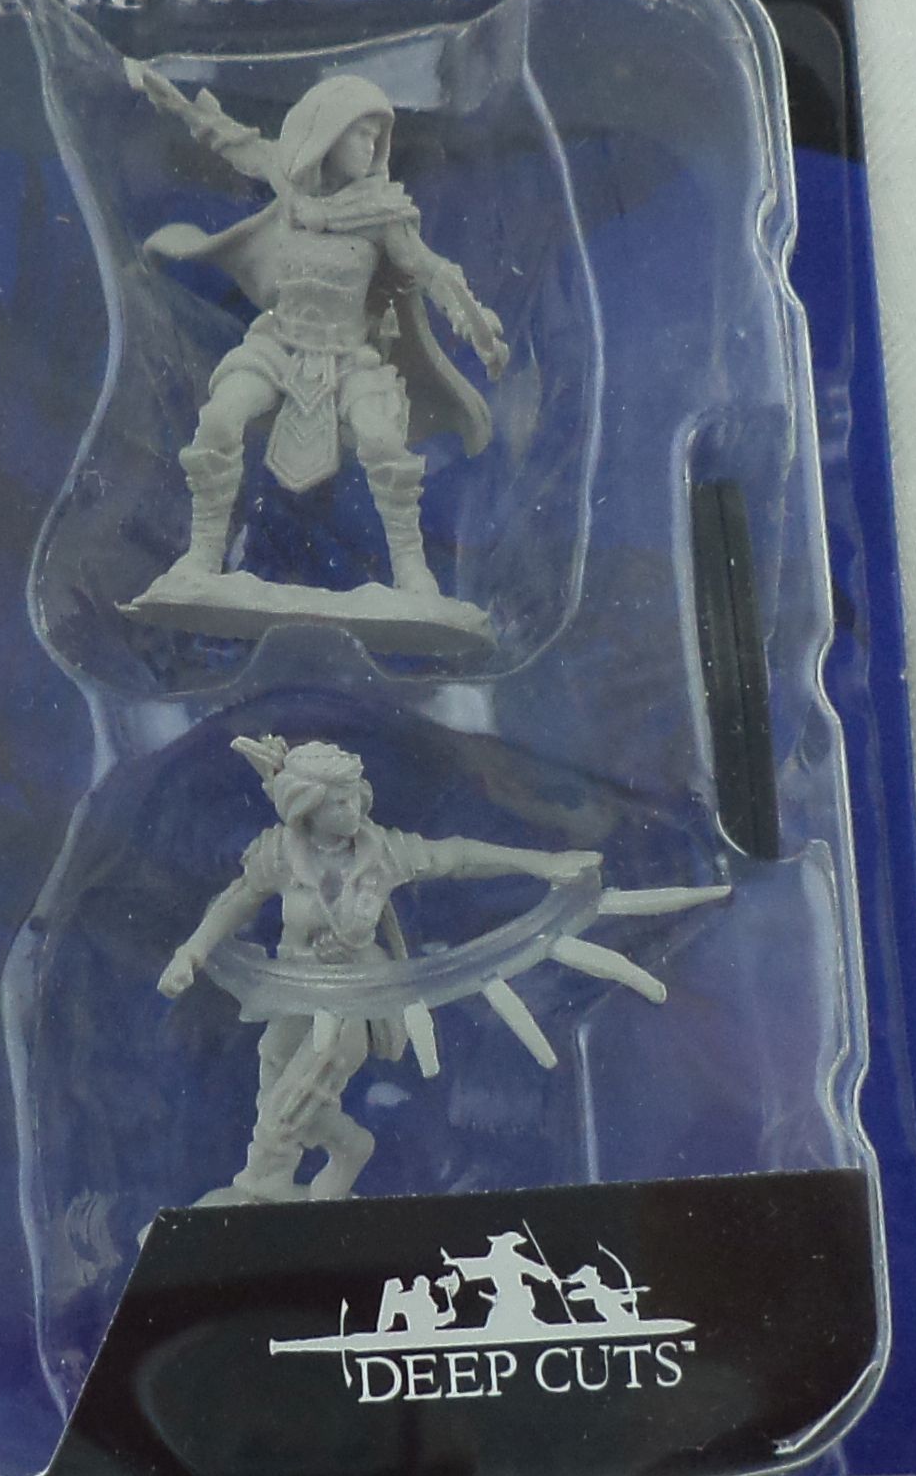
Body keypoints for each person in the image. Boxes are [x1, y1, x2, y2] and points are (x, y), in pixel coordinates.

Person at [159, 735, 598, 1204]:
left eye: (355, 796)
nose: (353, 808)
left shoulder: (382, 853)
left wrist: (545, 863)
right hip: (294, 991)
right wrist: (192, 953)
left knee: (301, 1092)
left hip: (356, 999)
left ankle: (261, 1184)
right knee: (274, 1072)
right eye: (338, 802)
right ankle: (340, 1152)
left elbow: (460, 857)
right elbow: (237, 900)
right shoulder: (281, 853)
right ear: (307, 808)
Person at [129, 65, 509, 602]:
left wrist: (476, 324)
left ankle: (412, 574)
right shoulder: (291, 187)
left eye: (377, 137)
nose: (370, 146)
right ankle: (202, 558)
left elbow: (431, 271)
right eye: (360, 133)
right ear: (328, 133)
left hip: (350, 357)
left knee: (381, 441)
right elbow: (232, 140)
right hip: (278, 345)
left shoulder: (383, 214)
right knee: (220, 418)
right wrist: (172, 100)